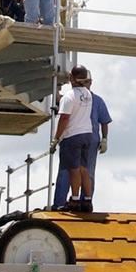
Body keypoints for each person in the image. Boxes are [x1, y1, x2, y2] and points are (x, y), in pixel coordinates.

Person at [53, 69, 112, 208]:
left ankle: (73, 202)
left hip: (75, 138)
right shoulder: (90, 98)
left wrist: (105, 138)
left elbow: (104, 121)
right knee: (82, 170)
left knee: (72, 170)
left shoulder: (89, 99)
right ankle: (84, 201)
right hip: (88, 138)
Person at [50, 65, 96, 212]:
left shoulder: (69, 96)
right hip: (87, 134)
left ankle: (75, 200)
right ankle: (87, 200)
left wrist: (56, 138)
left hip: (72, 136)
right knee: (84, 168)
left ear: (71, 78)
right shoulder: (88, 94)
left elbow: (64, 118)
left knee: (73, 169)